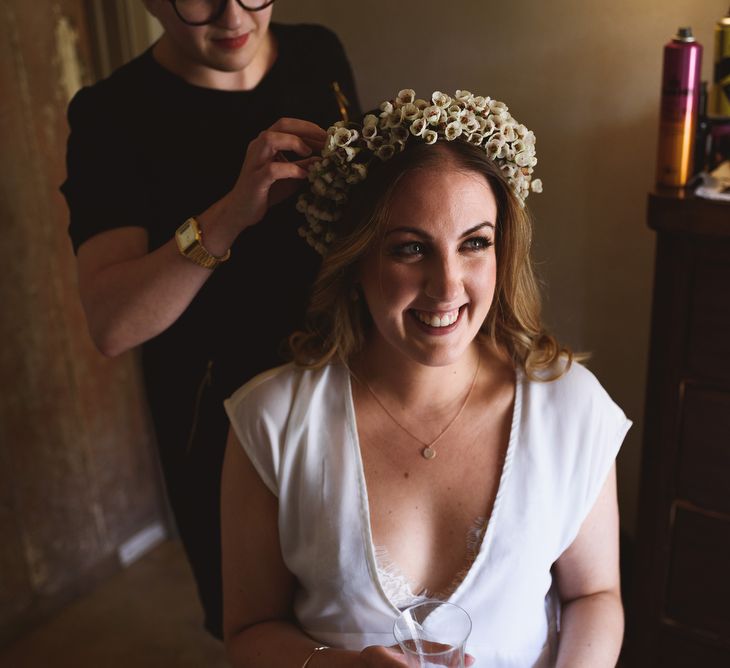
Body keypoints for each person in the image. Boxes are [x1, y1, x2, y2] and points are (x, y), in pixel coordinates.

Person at [222, 89, 631, 667]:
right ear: (356, 259)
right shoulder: (270, 420)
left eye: (475, 243)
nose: (447, 287)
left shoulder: (572, 408)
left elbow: (595, 595)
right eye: (410, 248)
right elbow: (248, 633)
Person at [60, 0, 360, 639]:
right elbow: (112, 323)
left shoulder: (319, 53)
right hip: (217, 417)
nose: (232, 17)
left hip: (348, 382)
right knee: (260, 625)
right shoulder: (111, 114)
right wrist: (229, 215)